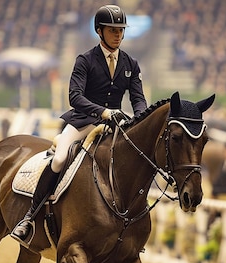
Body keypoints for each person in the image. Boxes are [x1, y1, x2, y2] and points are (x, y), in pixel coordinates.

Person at [10, 4, 147, 246]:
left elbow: (138, 98)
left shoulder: (130, 63)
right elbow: (75, 97)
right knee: (60, 158)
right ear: (99, 31)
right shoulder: (85, 60)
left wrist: (140, 119)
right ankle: (30, 217)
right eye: (113, 30)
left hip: (115, 125)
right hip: (84, 122)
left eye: (121, 30)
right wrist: (104, 112)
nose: (118, 35)